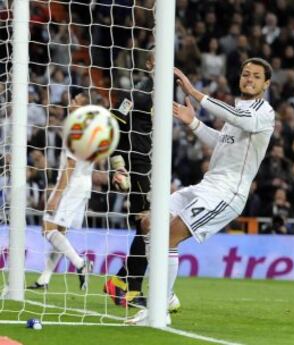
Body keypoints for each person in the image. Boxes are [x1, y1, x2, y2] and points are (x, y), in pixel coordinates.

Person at [129, 57, 275, 324]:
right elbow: (222, 143)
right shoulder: (237, 111)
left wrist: (193, 92)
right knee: (149, 222)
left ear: (266, 83)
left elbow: (240, 119)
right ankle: (168, 295)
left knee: (169, 235)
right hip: (206, 186)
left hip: (227, 194)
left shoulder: (263, 113)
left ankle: (159, 307)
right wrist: (193, 123)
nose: (249, 79)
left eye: (256, 76)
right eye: (245, 74)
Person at [103, 49, 181, 312]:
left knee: (147, 226)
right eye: (159, 63)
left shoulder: (166, 95)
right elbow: (113, 128)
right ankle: (131, 287)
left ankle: (121, 281)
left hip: (154, 167)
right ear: (149, 64)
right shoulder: (135, 94)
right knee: (148, 224)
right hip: (138, 166)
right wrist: (118, 167)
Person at [28, 92, 94, 290]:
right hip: (84, 183)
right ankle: (44, 279)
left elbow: (70, 166)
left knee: (47, 229)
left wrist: (56, 194)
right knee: (60, 233)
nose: (71, 103)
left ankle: (81, 264)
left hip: (71, 183)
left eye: (76, 102)